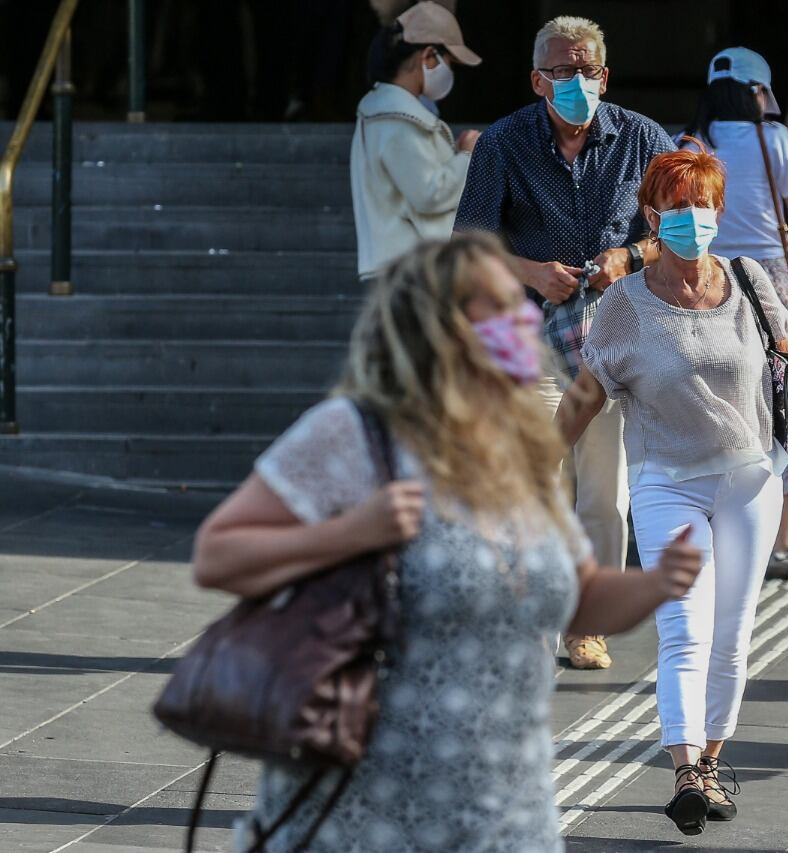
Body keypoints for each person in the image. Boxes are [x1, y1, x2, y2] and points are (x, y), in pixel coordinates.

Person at [191, 233, 703, 853]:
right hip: (364, 808)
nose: (522, 323)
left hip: (506, 809)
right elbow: (218, 555)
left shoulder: (521, 442)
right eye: (497, 309)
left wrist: (656, 584)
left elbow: (577, 594)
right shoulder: (356, 431)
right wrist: (348, 533)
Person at [555, 145, 788, 836]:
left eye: (703, 205)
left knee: (732, 634)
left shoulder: (749, 279)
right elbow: (585, 395)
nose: (692, 218)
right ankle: (686, 770)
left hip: (750, 478)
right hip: (666, 481)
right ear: (652, 216)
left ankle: (712, 763)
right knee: (684, 629)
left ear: (719, 213)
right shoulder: (623, 304)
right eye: (678, 206)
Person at [453, 15, 677, 670]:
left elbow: (681, 227)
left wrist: (630, 256)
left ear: (604, 76)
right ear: (537, 80)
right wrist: (530, 272)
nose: (575, 81)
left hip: (616, 334)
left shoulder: (643, 138)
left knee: (604, 492)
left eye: (585, 70)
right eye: (561, 70)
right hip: (529, 335)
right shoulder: (504, 142)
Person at [679, 47, 788, 581]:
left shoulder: (690, 144)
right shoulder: (774, 139)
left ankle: (711, 534)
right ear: (758, 91)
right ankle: (784, 544)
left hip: (706, 279)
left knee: (714, 405)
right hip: (767, 278)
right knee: (787, 404)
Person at [351, 1, 481, 281]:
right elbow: (430, 193)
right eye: (449, 62)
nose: (450, 73)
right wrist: (467, 155)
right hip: (413, 269)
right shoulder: (397, 119)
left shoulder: (387, 112)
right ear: (429, 55)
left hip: (406, 265)